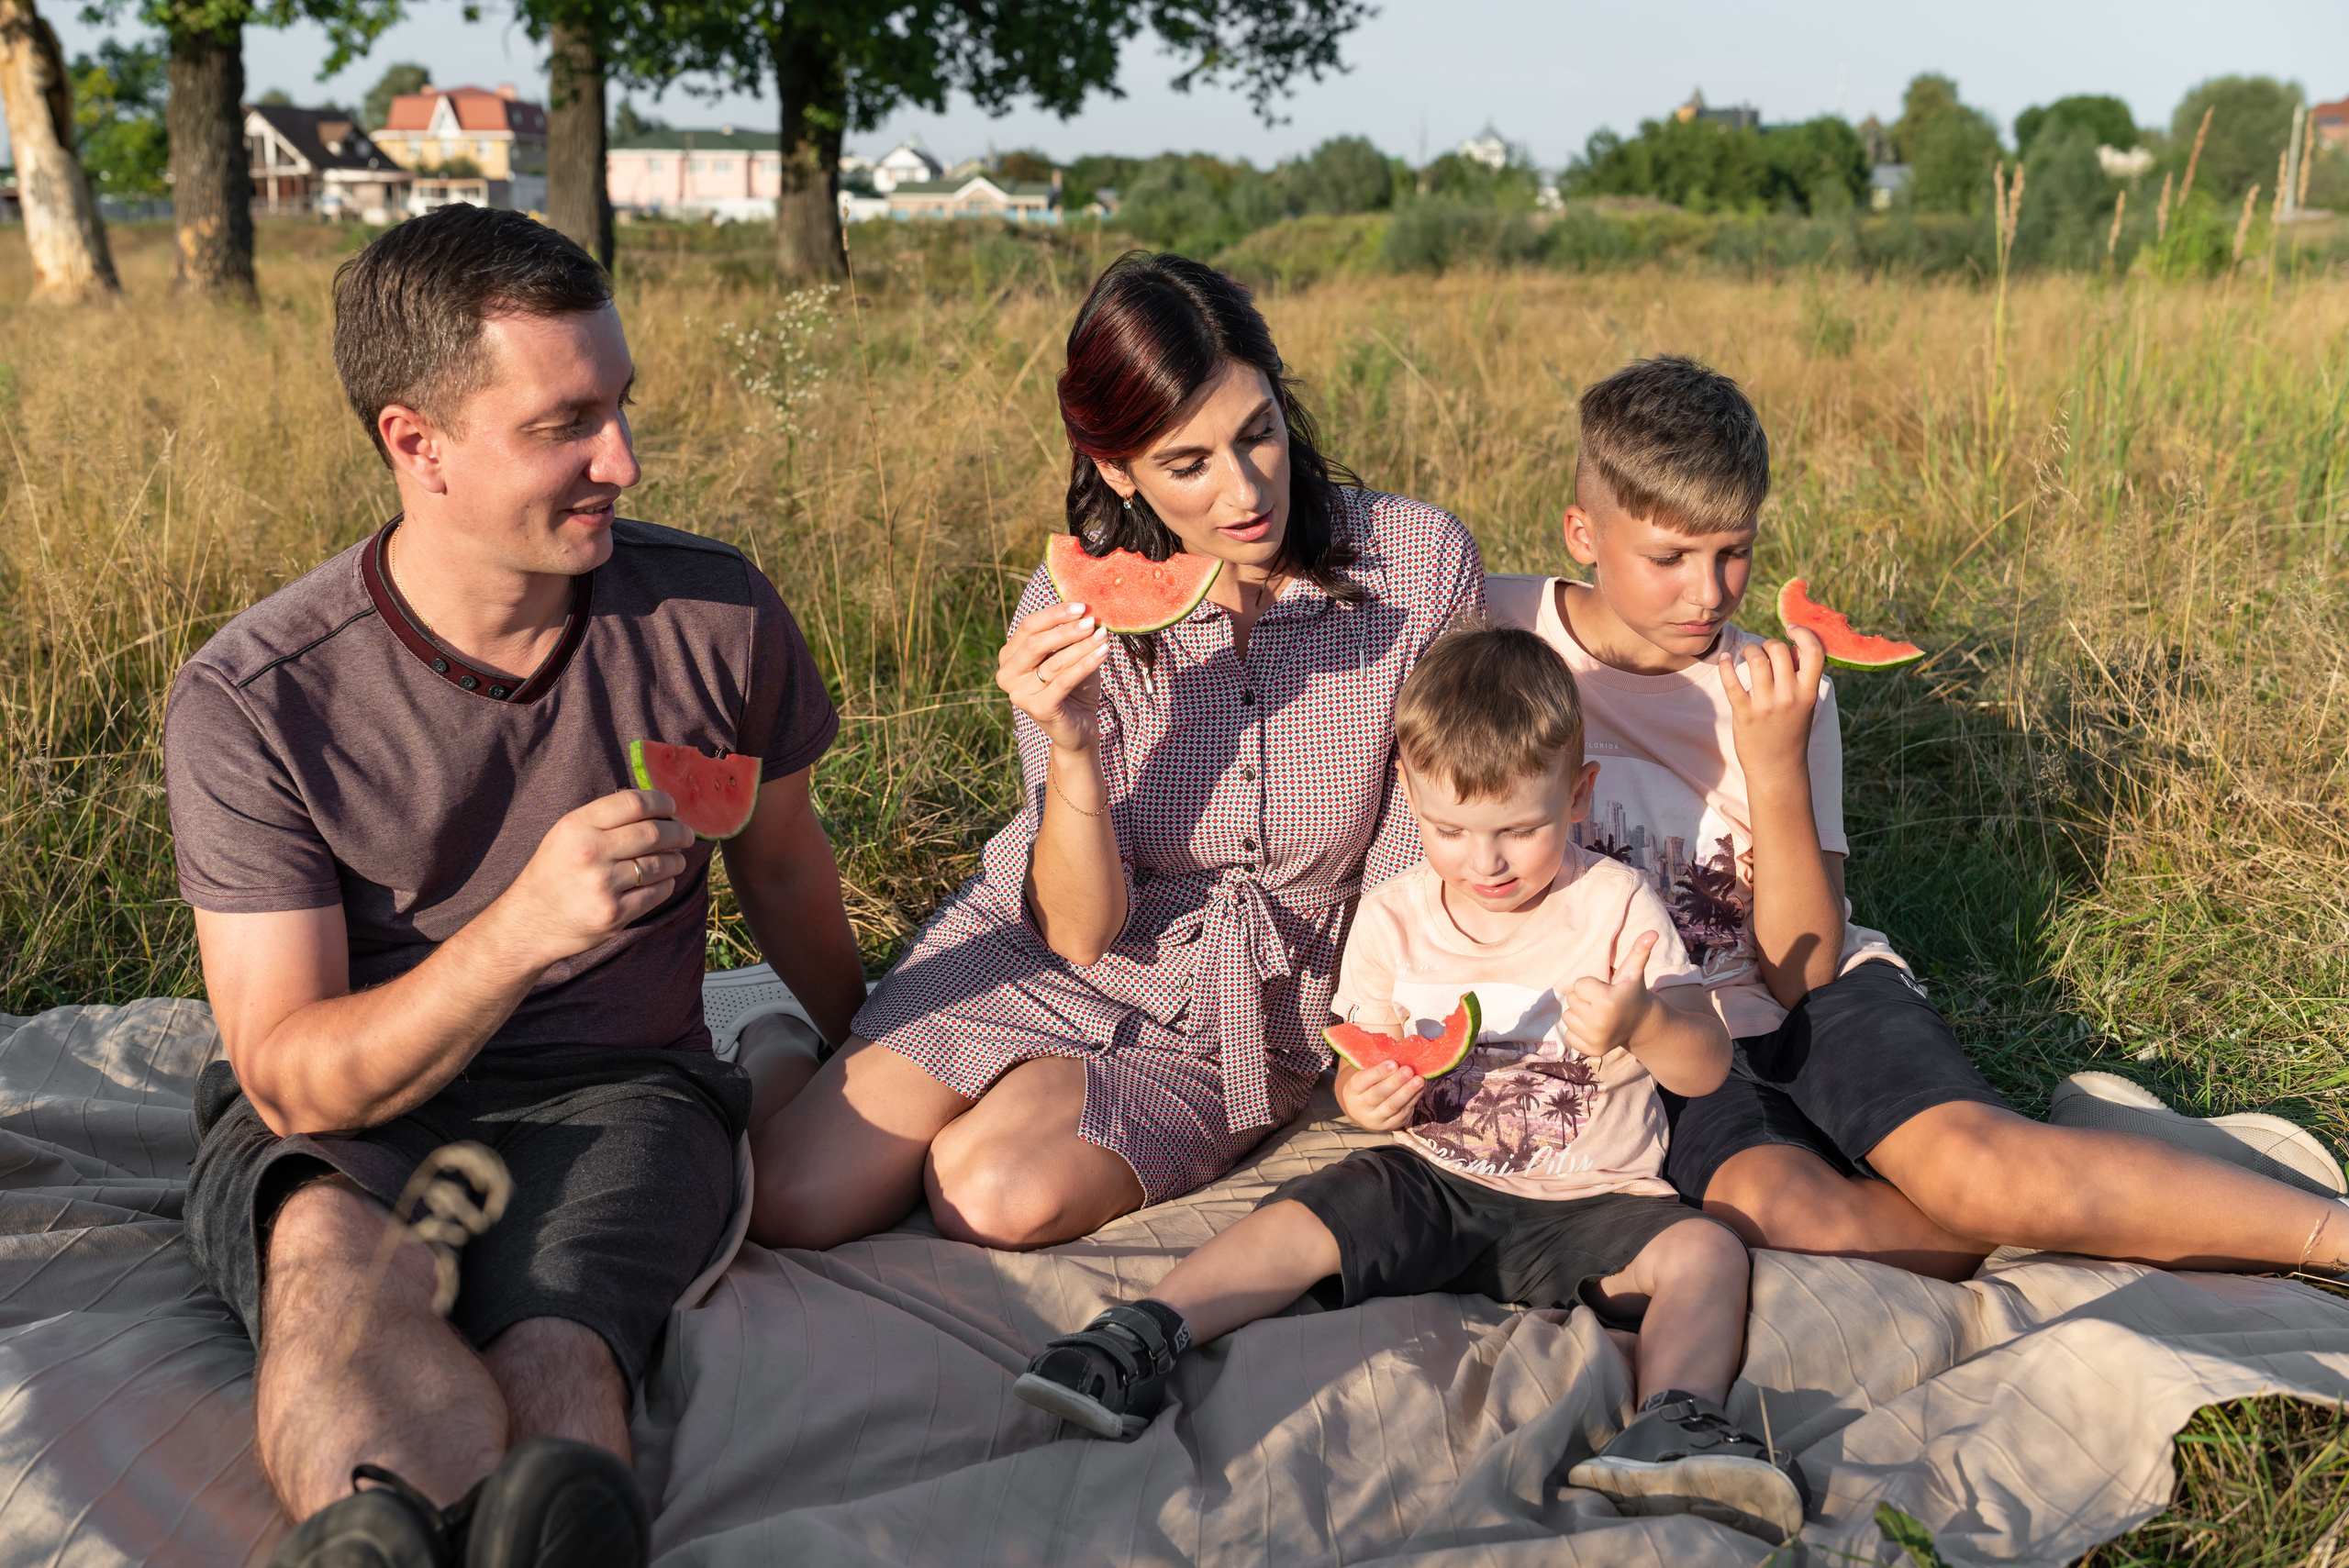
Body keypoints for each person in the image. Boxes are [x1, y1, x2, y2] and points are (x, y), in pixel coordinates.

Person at [164, 207, 866, 1568]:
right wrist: (522, 933)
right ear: (414, 443)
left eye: (620, 408)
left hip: (628, 1089)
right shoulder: (255, 700)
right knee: (324, 1260)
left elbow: (779, 861)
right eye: (566, 425)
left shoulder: (712, 617)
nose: (625, 460)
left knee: (562, 1323)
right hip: (364, 1095)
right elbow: (298, 1081)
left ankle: (550, 1538)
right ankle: (374, 1542)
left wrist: (883, 1052)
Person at [1487, 352, 2349, 1281]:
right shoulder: (1490, 629)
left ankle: (2317, 1232)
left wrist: (1773, 763)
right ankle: (2100, 1201)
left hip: (1809, 993)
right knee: (1786, 1213)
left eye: (1733, 549)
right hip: (1650, 1023)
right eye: (1668, 558)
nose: (1709, 593)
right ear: (1582, 532)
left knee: (1977, 1171)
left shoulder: (1786, 689)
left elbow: (1803, 969)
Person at [741, 251, 1484, 1251]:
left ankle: (991, 1099)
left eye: (1258, 433)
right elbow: (1078, 932)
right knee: (789, 1202)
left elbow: (1412, 855)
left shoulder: (1421, 563)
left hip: (1246, 1003)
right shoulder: (1067, 604)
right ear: (1114, 469)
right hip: (1048, 944)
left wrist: (1380, 1032)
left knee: (988, 1192)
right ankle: (780, 1046)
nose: (1245, 488)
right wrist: (1074, 745)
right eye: (1189, 463)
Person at [1009, 628, 1808, 1545]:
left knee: (1707, 1252)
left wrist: (1643, 1023)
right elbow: (1362, 1059)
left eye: (1519, 827)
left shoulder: (1618, 903)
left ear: (1577, 794)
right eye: (1449, 830)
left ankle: (1671, 1419)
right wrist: (1365, 1097)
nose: (1485, 861)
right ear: (1411, 802)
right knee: (1303, 1210)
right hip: (1434, 1184)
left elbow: (1703, 1064)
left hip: (1592, 1201)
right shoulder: (1392, 913)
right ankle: (1143, 1330)